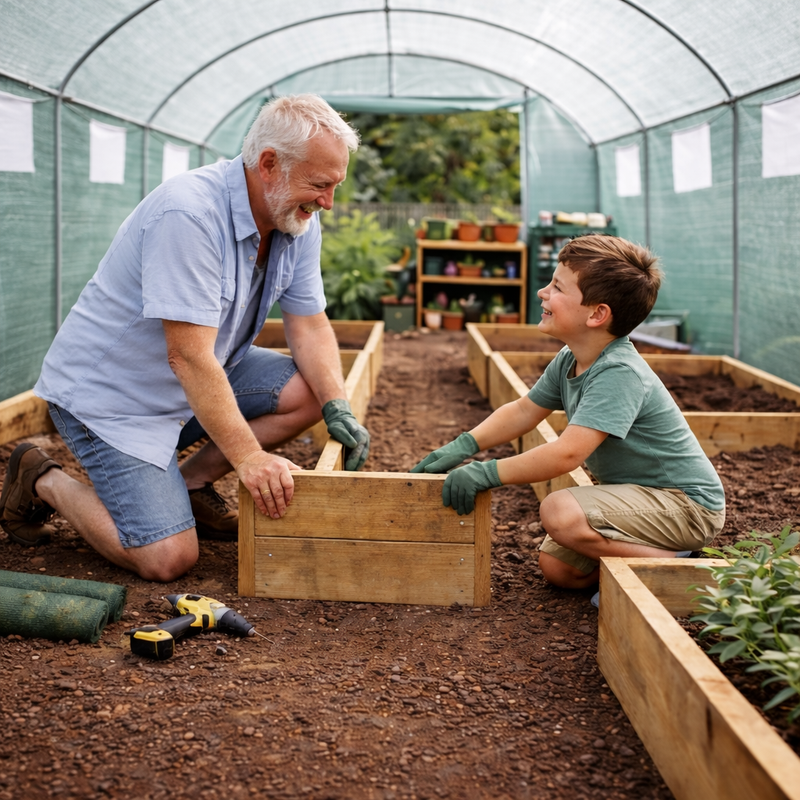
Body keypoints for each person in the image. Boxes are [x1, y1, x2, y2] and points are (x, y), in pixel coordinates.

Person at [0, 94, 370, 582]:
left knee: (310, 394)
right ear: (268, 164)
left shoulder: (295, 217)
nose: (327, 202)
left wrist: (337, 405)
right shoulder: (190, 215)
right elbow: (189, 357)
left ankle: (188, 488)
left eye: (334, 186)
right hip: (114, 400)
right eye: (320, 185)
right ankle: (41, 477)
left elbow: (309, 322)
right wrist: (249, 458)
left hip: (197, 377)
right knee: (168, 558)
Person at [411, 234, 725, 593]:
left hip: (685, 506)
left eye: (557, 287)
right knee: (559, 569)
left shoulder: (619, 372)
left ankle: (668, 564)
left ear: (597, 314)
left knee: (559, 511)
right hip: (639, 496)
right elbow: (525, 410)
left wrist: (487, 473)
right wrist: (462, 445)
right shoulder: (572, 358)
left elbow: (568, 453)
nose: (543, 292)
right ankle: (647, 560)